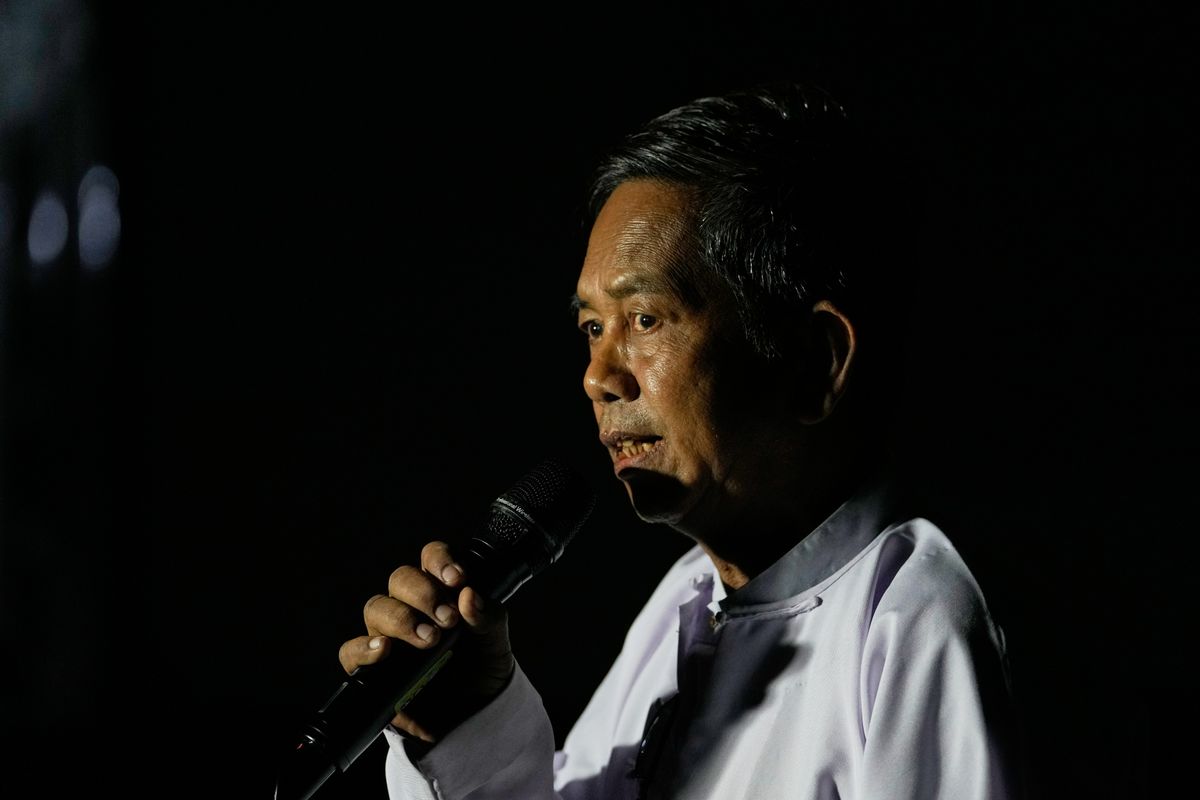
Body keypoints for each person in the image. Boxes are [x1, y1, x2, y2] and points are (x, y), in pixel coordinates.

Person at [337, 80, 1025, 799]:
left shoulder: (919, 618)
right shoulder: (687, 599)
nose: (597, 378)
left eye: (645, 319)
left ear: (814, 360)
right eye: (592, 327)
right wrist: (465, 731)